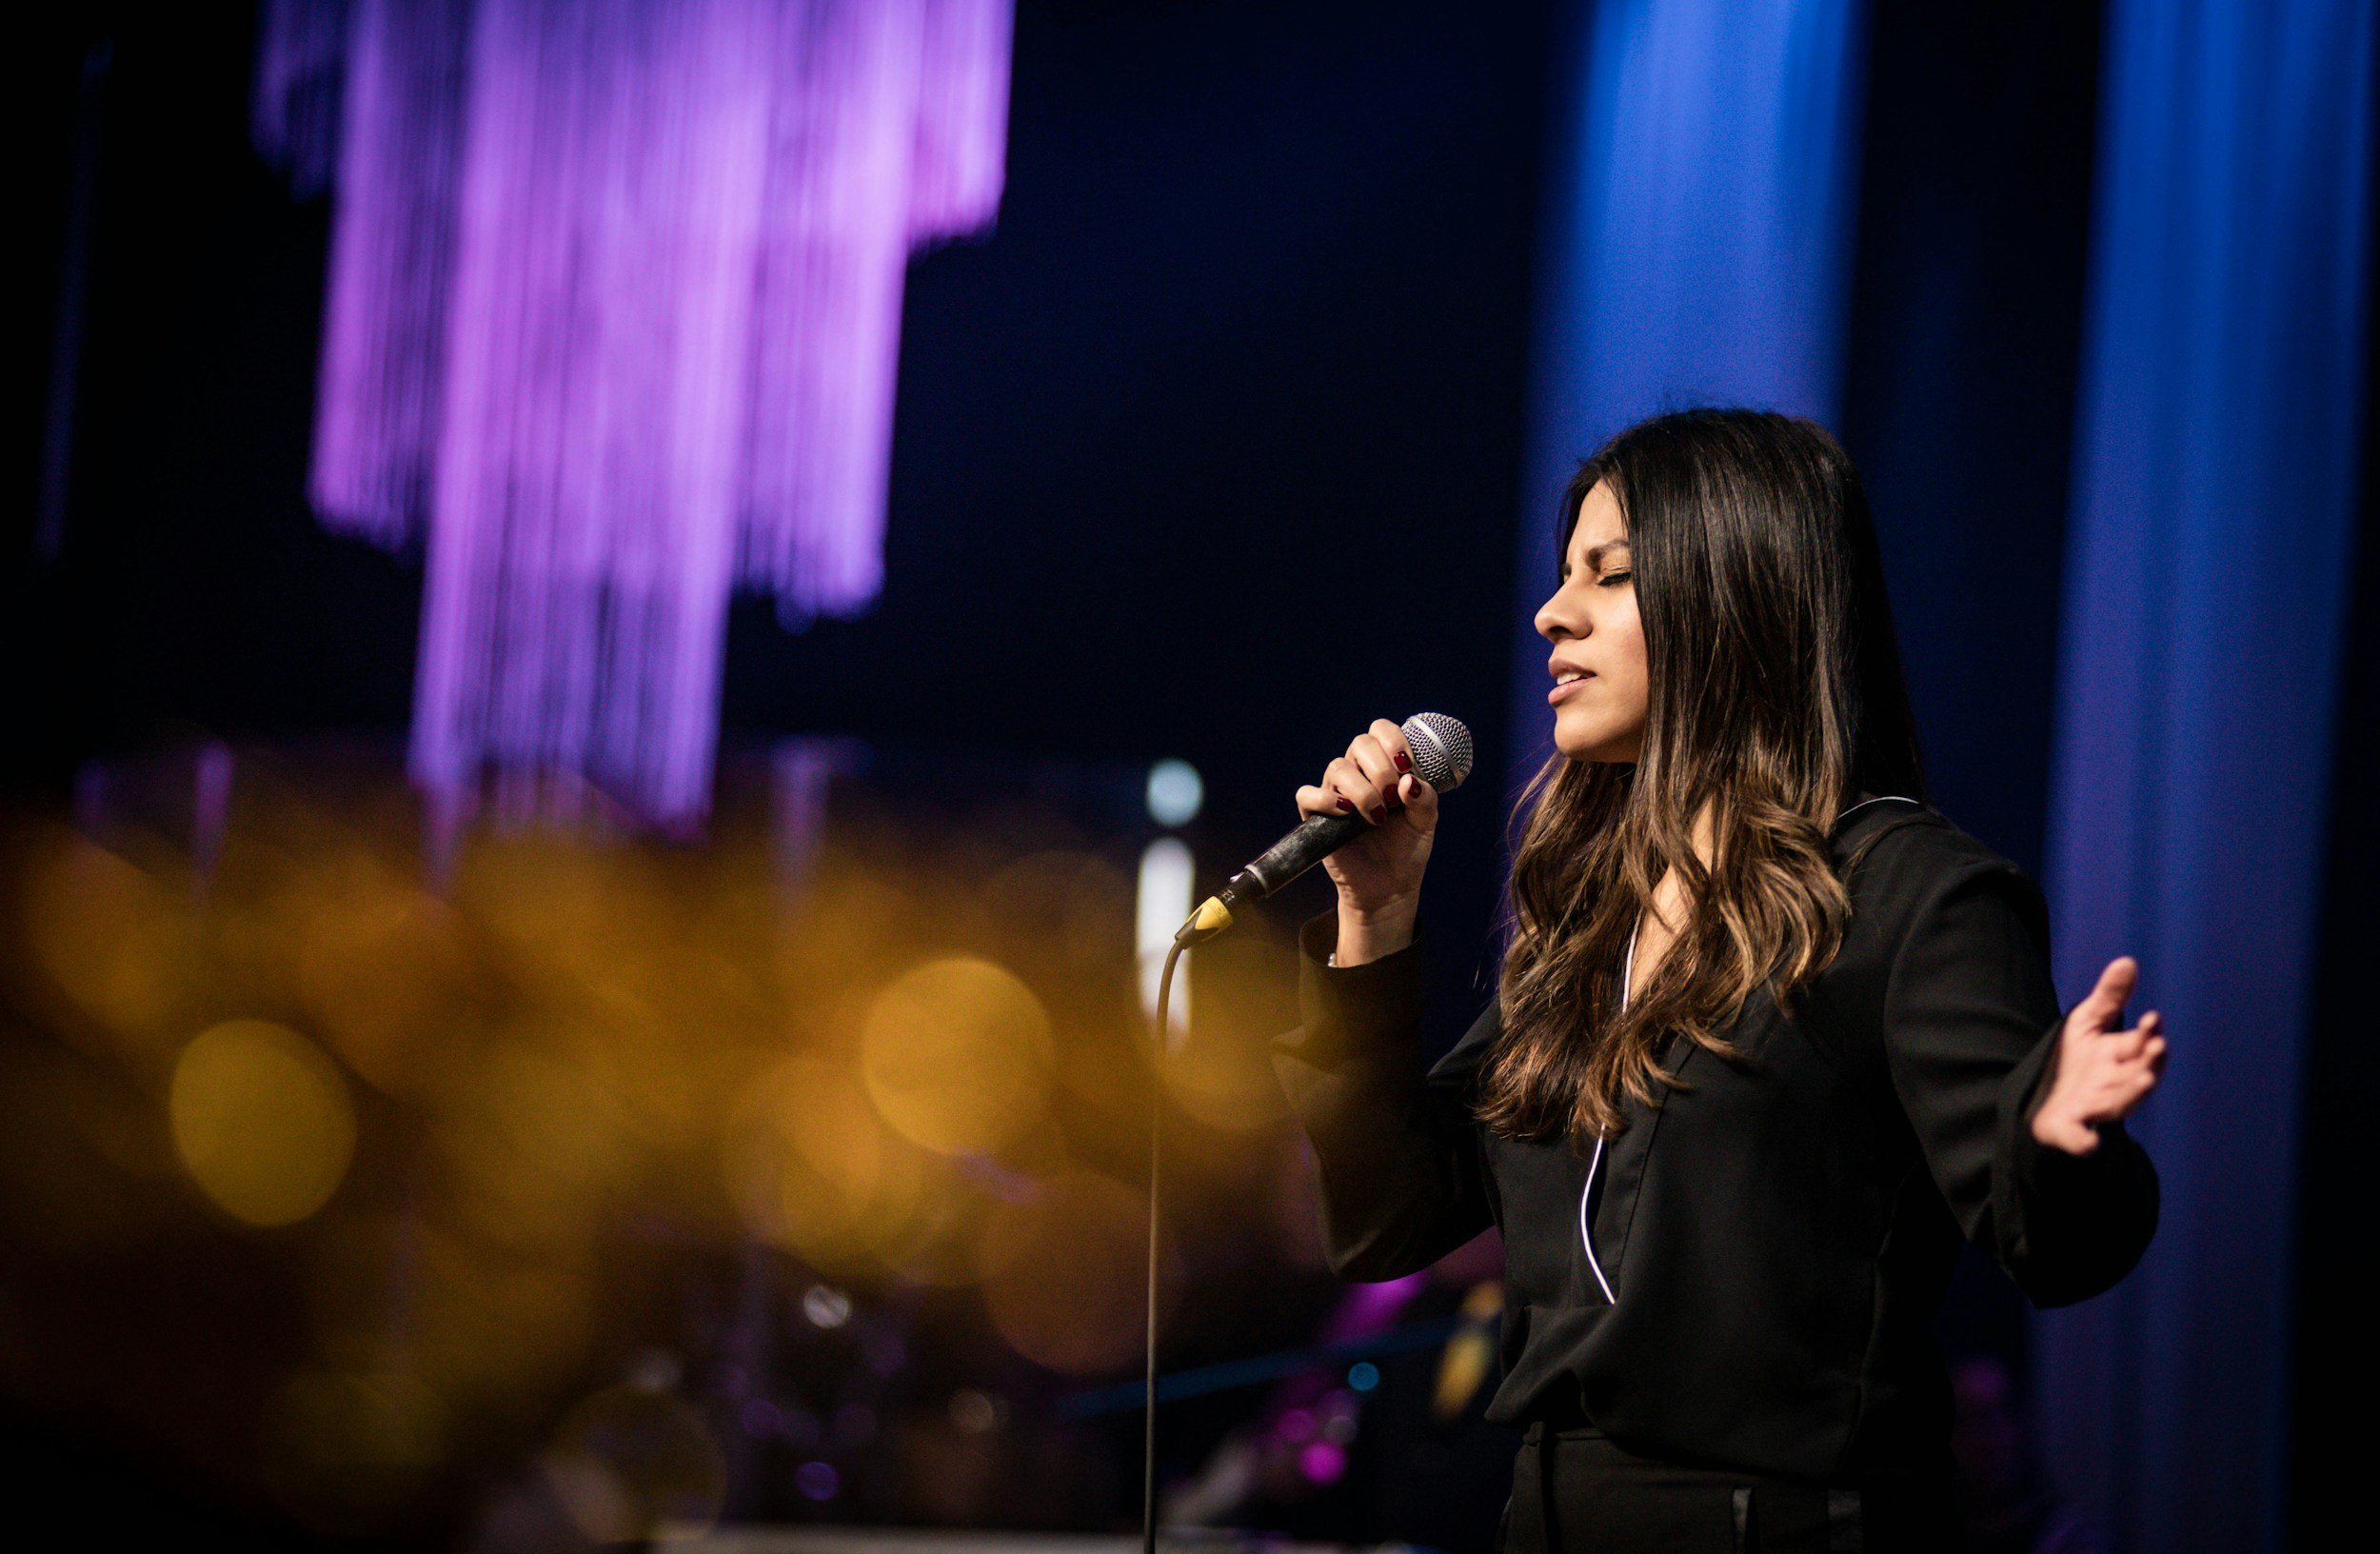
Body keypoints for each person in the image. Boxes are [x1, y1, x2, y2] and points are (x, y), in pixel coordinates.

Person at [1268, 408, 2163, 1552]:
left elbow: (2061, 1246)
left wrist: (2060, 1135)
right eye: (1560, 578)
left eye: (1611, 576)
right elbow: (1387, 1218)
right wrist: (1375, 914)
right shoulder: (1588, 924)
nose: (1552, 611)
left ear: (1733, 597)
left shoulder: (1904, 892)